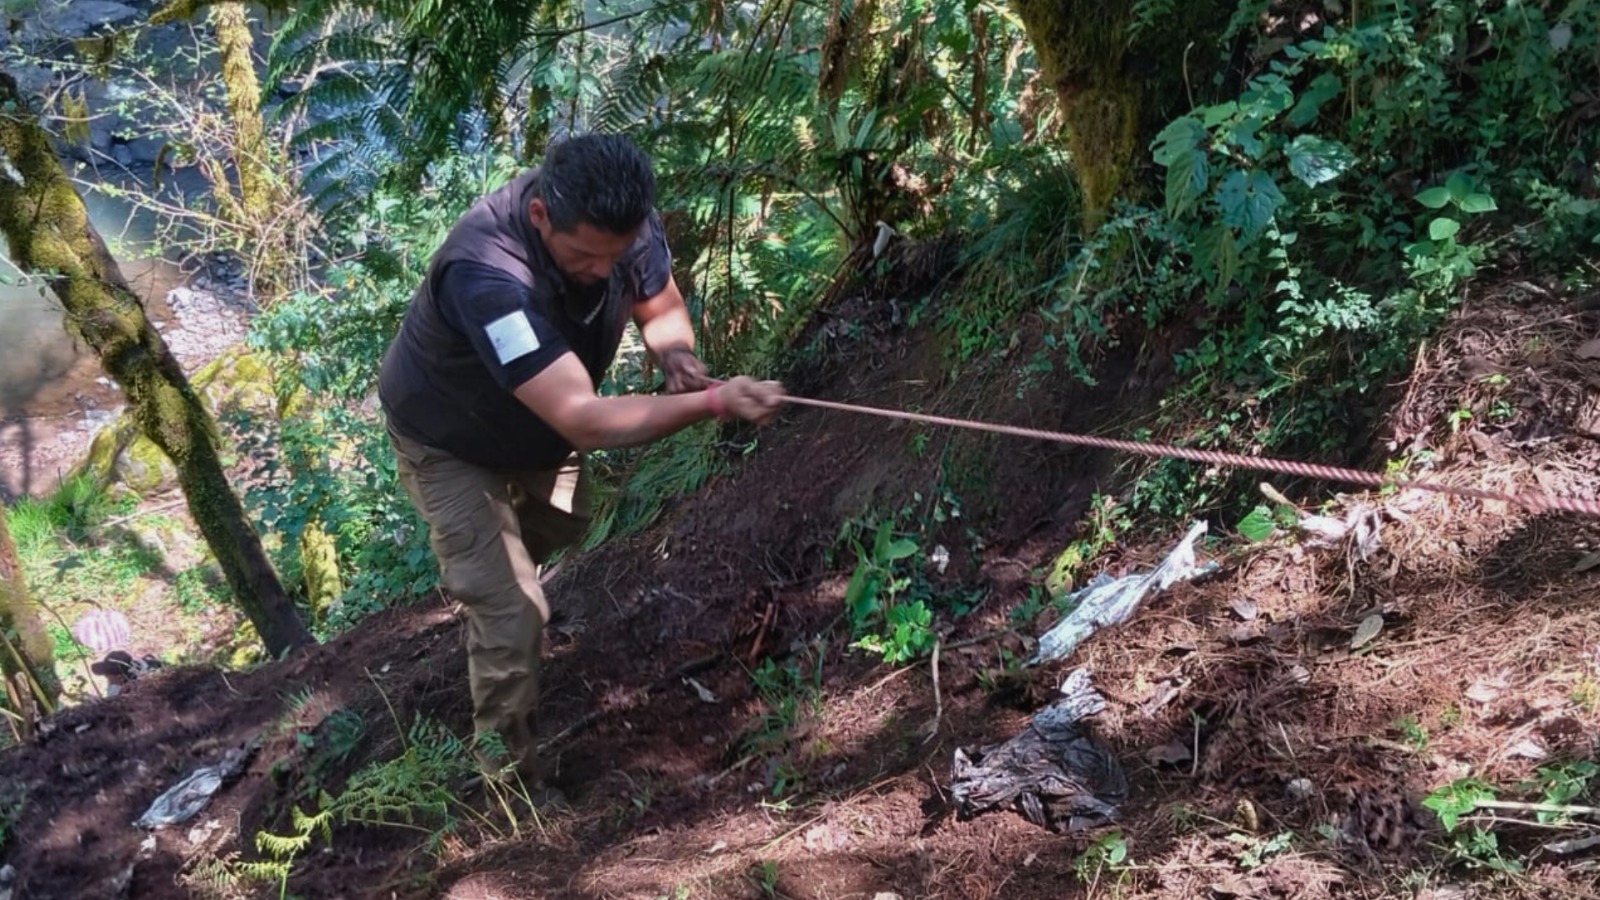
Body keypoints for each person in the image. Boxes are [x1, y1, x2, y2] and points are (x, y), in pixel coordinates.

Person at [377, 133, 785, 784]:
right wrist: (712, 404)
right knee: (512, 610)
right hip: (448, 438)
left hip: (534, 434)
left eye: (616, 255)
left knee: (567, 521)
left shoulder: (623, 225)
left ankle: (495, 581)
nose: (604, 271)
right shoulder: (485, 274)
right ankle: (504, 779)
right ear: (541, 216)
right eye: (587, 258)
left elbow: (660, 300)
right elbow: (583, 418)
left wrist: (676, 356)